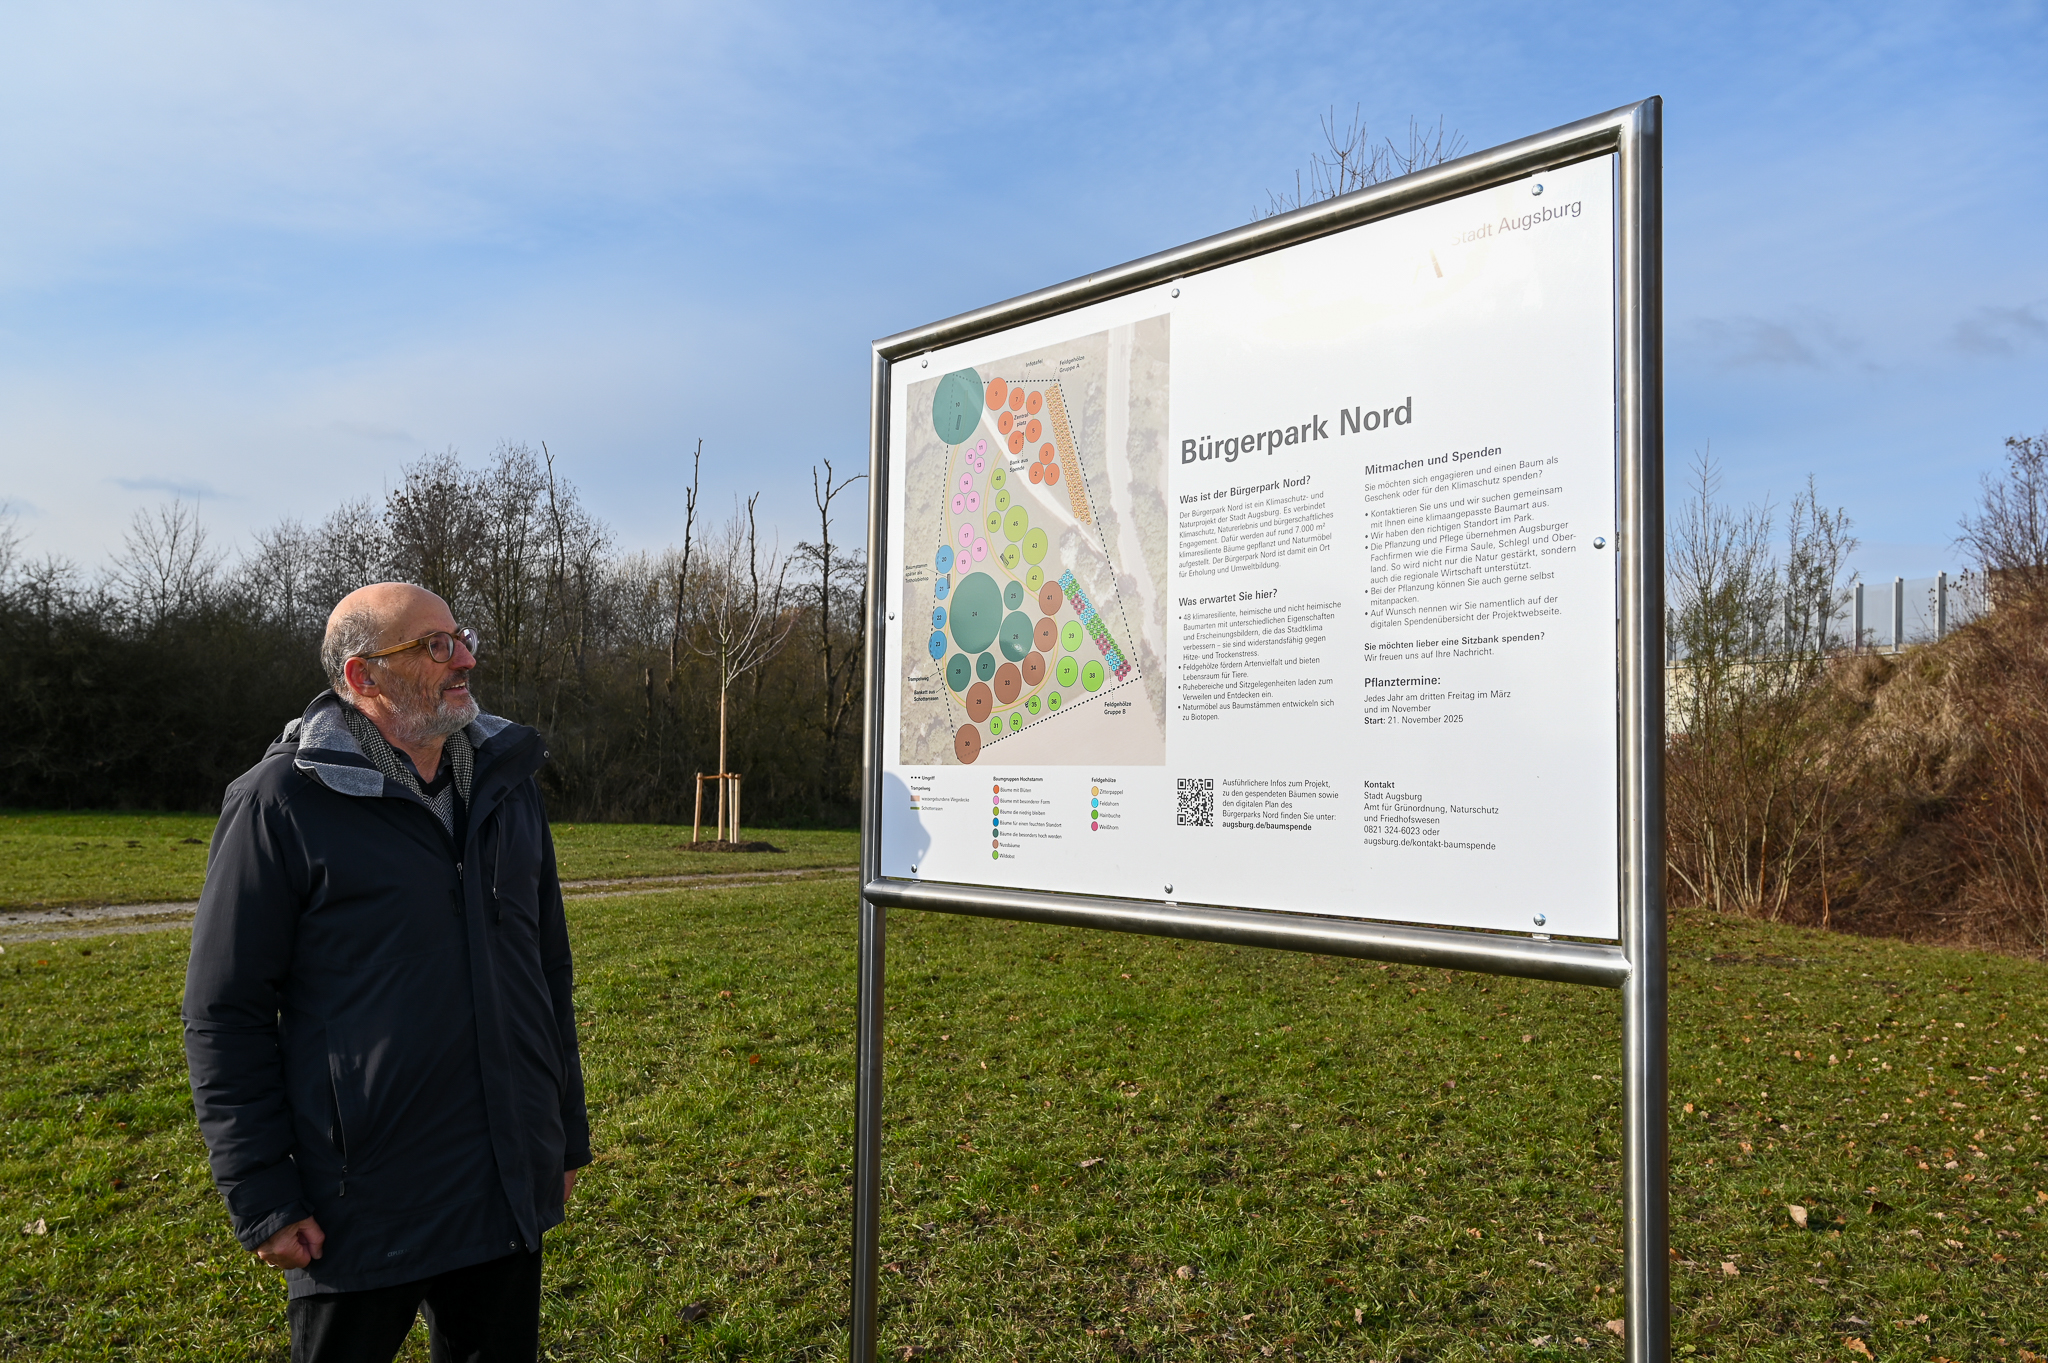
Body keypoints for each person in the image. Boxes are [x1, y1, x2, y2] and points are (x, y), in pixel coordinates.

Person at [183, 582, 590, 1363]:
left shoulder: (508, 785)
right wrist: (262, 1192)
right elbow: (225, 1011)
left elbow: (548, 970)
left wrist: (561, 1132)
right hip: (361, 1203)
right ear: (362, 675)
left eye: (461, 638)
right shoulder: (280, 803)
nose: (465, 658)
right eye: (435, 645)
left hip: (502, 1183)